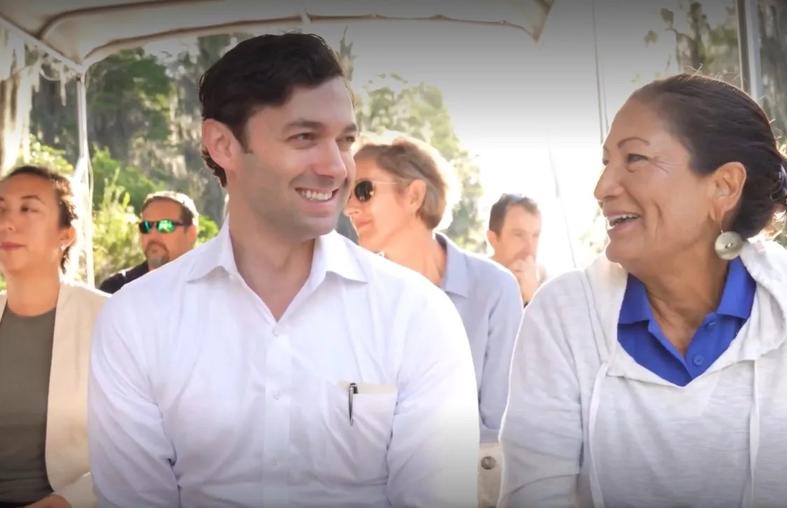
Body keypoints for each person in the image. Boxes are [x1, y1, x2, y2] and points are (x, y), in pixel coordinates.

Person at [88, 33, 479, 508]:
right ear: (222, 144)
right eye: (304, 137)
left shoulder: (417, 314)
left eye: (345, 141)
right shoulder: (137, 318)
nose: (336, 167)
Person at [499, 74, 787, 507]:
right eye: (606, 163)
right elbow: (534, 496)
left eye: (634, 158)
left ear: (724, 186)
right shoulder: (561, 314)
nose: (602, 189)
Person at [345, 133, 522, 508]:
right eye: (345, 192)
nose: (349, 207)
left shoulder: (494, 287)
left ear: (413, 195)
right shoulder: (353, 297)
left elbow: (498, 420)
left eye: (362, 190)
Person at [0, 166, 107, 508]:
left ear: (66, 234)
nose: (8, 222)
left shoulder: (109, 319)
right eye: (1, 208)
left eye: (28, 208)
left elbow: (143, 447)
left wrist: (64, 502)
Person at [98, 191, 199, 293]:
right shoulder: (116, 288)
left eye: (165, 225)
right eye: (146, 226)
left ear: (191, 233)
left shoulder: (209, 291)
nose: (153, 235)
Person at [487, 193, 543, 304]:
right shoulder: (473, 286)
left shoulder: (551, 287)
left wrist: (533, 297)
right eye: (519, 235)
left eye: (535, 235)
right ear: (493, 239)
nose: (529, 248)